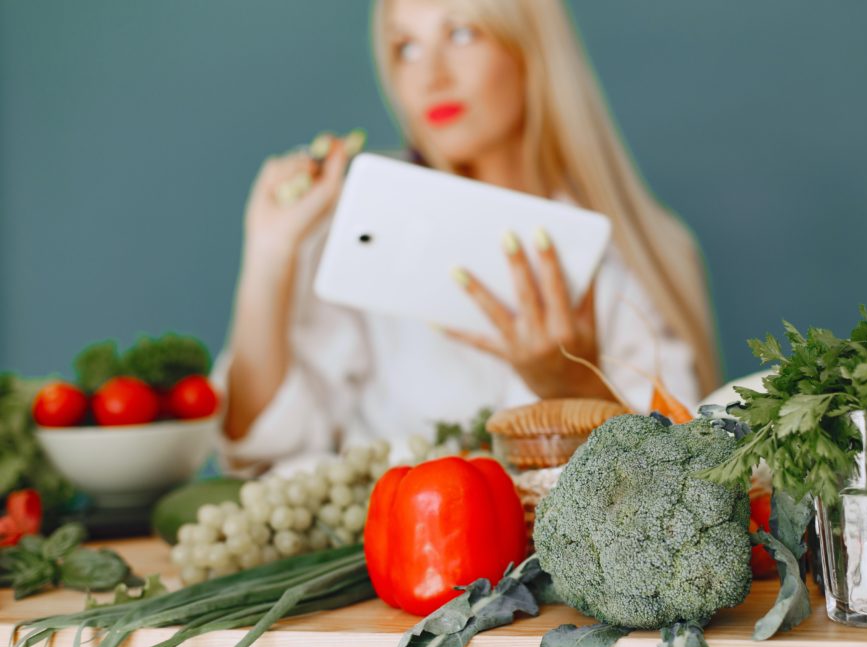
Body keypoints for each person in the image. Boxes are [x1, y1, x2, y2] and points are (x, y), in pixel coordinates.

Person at [216, 0, 720, 473]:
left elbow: (683, 478)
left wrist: (570, 385)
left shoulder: (634, 256)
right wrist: (270, 253)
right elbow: (259, 451)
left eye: (461, 33)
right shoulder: (357, 229)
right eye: (405, 48)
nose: (429, 78)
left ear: (531, 49)